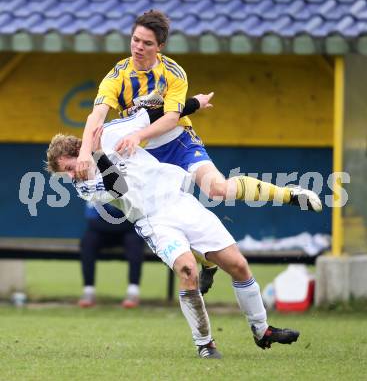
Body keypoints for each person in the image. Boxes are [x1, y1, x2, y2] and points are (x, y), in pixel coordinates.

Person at [75, 9, 322, 293]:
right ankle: (207, 263)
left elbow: (170, 117)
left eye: (147, 43)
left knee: (217, 189)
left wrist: (137, 135)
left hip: (178, 142)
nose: (139, 47)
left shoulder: (173, 73)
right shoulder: (117, 75)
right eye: (135, 40)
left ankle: (291, 195)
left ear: (160, 47)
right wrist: (84, 152)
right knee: (164, 219)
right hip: (145, 158)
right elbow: (96, 116)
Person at [46, 110, 301, 359]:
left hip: (180, 201)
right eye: (65, 174)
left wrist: (193, 104)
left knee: (238, 265)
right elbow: (119, 186)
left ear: (76, 152)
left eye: (68, 168)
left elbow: (159, 112)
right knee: (188, 271)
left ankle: (262, 330)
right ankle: (205, 344)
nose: (70, 175)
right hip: (153, 220)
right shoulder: (84, 185)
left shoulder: (113, 131)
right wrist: (99, 153)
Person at [79, 202, 145, 309]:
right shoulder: (95, 189)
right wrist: (119, 225)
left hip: (127, 232)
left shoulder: (132, 189)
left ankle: (133, 292)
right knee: (88, 241)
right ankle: (88, 291)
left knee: (135, 240)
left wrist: (121, 225)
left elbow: (136, 220)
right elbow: (92, 222)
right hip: (104, 232)